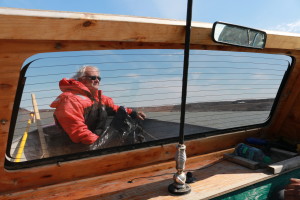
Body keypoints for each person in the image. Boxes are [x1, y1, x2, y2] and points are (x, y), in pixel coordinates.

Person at [50, 65, 146, 150]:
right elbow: (78, 130)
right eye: (93, 77)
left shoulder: (97, 98)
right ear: (81, 79)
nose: (97, 80)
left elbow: (114, 108)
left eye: (99, 78)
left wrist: (133, 113)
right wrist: (102, 146)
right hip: (78, 149)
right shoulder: (70, 99)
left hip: (97, 142)